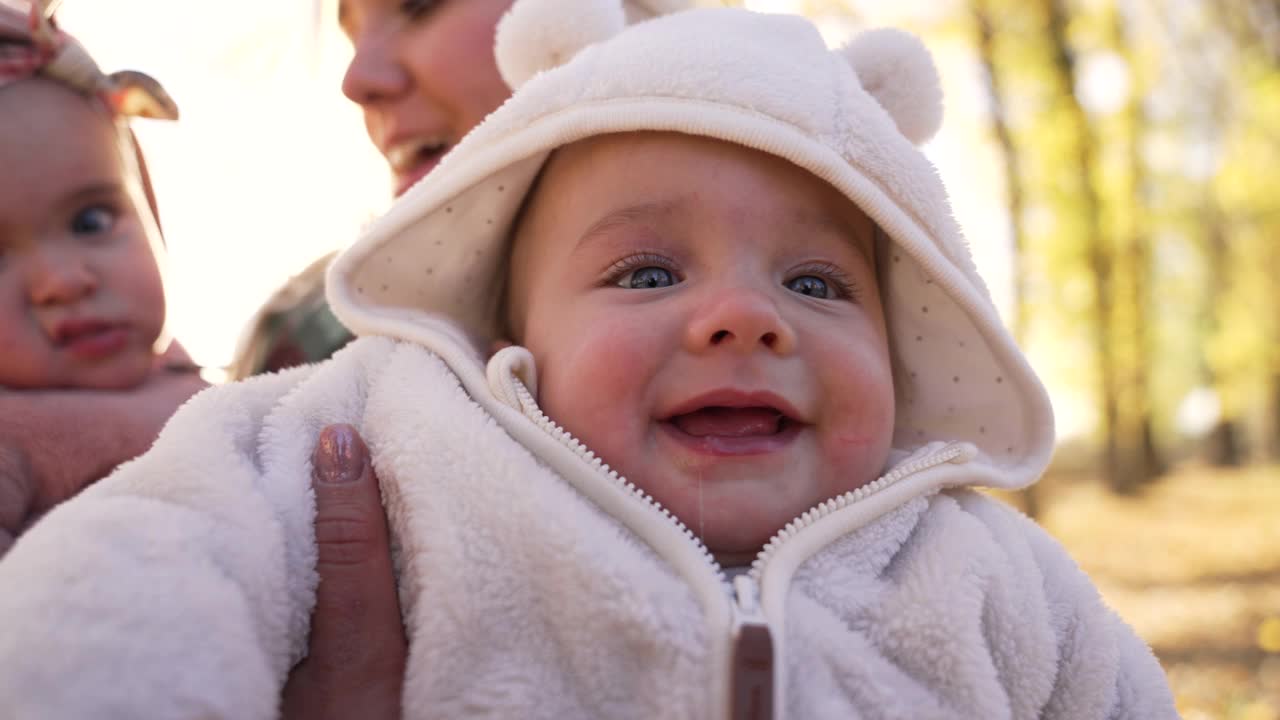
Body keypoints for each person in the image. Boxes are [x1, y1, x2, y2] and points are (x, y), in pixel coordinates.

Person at [0, 3, 1178, 718]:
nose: (745, 320)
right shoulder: (380, 427)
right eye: (648, 274)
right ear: (510, 334)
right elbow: (146, 573)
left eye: (815, 286)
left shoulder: (982, 574)